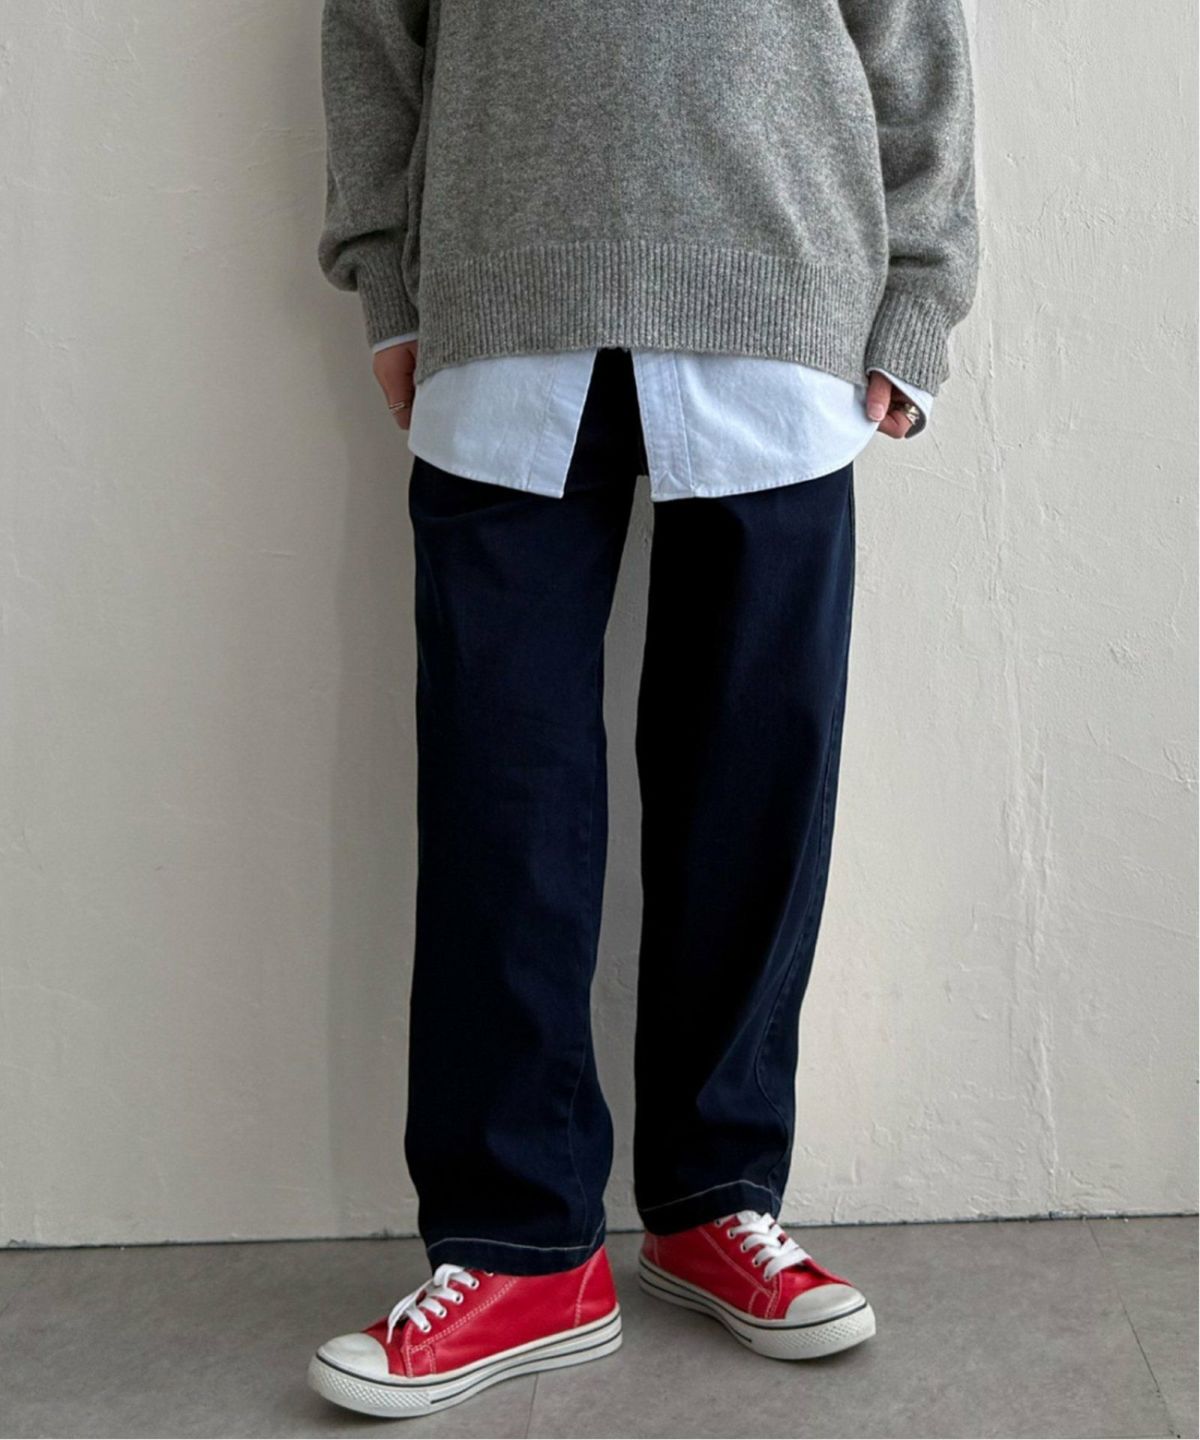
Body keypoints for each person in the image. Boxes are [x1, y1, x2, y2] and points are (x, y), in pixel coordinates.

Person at [308, 0, 977, 1418]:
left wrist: (920, 291)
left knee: (753, 789)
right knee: (500, 806)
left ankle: (716, 1198)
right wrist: (388, 283)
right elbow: (373, 27)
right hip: (500, 310)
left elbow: (913, 33)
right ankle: (520, 1247)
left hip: (784, 305)